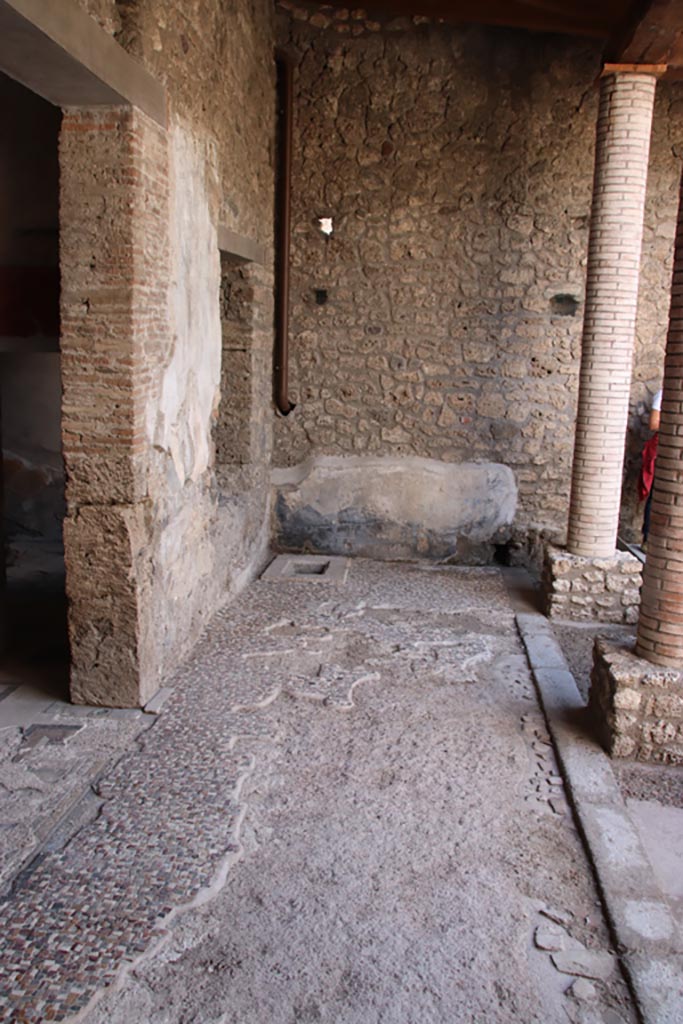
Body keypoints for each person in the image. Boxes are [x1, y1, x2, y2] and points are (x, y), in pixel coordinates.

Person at [639, 387, 662, 546]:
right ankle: (648, 539)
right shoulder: (664, 394)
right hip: (664, 448)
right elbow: (654, 424)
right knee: (656, 494)